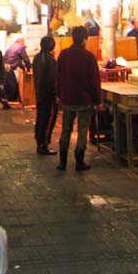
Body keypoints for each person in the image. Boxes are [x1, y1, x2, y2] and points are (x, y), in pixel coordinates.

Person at [55, 25, 101, 171]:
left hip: (67, 99)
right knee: (82, 131)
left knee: (66, 130)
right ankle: (79, 162)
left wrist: (59, 94)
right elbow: (94, 81)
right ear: (84, 39)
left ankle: (62, 162)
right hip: (84, 101)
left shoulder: (63, 55)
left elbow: (57, 77)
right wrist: (98, 100)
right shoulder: (89, 57)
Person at [33, 35, 59, 155]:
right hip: (48, 96)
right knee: (48, 119)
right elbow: (53, 79)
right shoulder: (50, 60)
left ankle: (39, 142)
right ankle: (43, 144)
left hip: (39, 94)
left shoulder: (37, 58)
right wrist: (55, 93)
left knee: (41, 118)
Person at [0, 35, 31, 108]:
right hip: (8, 68)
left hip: (4, 67)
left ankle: (5, 102)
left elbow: (18, 61)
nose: (24, 43)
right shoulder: (20, 47)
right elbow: (25, 58)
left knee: (8, 85)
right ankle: (3, 99)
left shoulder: (11, 47)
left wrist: (23, 68)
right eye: (23, 41)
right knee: (12, 86)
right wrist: (29, 68)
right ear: (21, 41)